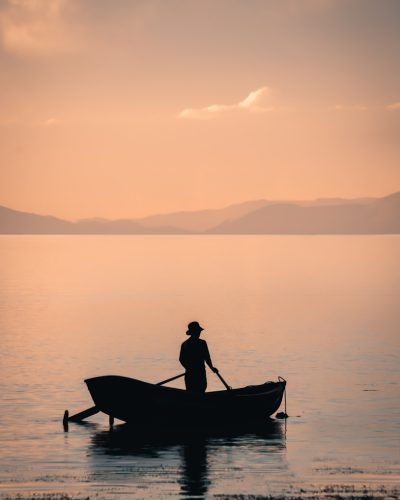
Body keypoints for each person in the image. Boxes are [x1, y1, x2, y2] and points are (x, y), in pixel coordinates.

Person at [179, 321, 218, 393]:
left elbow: (181, 360)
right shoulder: (202, 343)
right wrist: (212, 368)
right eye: (198, 331)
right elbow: (207, 358)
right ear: (194, 332)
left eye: (199, 331)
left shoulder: (184, 344)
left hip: (189, 375)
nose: (199, 333)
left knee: (191, 393)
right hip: (200, 374)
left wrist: (188, 368)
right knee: (200, 392)